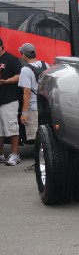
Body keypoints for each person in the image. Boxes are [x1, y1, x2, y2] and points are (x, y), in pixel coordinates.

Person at [18, 43, 47, 149]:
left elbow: (27, 91)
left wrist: (24, 113)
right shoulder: (45, 65)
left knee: (36, 138)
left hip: (33, 107)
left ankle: (41, 161)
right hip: (45, 105)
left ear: (24, 55)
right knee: (46, 135)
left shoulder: (25, 70)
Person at [0, 38, 22, 166]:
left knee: (12, 129)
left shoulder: (11, 59)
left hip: (9, 100)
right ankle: (1, 155)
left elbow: (19, 76)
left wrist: (6, 81)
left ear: (1, 47)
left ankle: (15, 155)